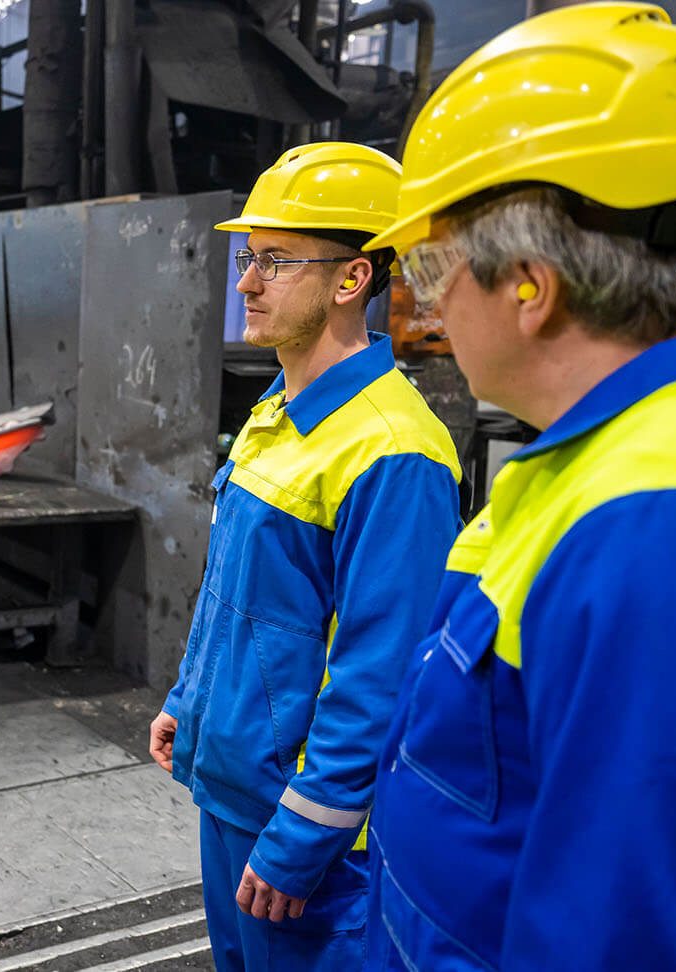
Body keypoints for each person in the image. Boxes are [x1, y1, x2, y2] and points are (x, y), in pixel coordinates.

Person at [359, 5, 676, 971]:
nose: (423, 300)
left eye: (432, 263)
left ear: (529, 288)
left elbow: (631, 939)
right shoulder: (611, 461)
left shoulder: (669, 525)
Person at [148, 142, 463, 971]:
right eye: (249, 258)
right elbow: (234, 592)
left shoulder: (395, 452)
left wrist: (304, 836)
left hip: (308, 835)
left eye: (275, 261)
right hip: (234, 788)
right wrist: (190, 699)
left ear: (351, 279)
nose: (246, 282)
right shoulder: (276, 409)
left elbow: (380, 673)